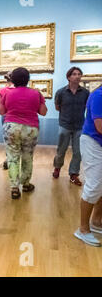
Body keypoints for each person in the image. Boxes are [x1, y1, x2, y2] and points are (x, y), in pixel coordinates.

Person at [0, 67, 48, 199]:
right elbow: (43, 112)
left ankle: (14, 187)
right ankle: (26, 184)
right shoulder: (36, 94)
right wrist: (42, 102)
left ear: (13, 79)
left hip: (11, 127)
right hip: (31, 128)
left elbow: (2, 112)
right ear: (28, 79)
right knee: (27, 157)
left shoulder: (7, 93)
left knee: (12, 157)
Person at [74, 86, 102, 246]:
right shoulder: (99, 95)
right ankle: (83, 229)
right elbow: (100, 127)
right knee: (94, 185)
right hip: (93, 142)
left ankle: (97, 222)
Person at [52, 67, 89, 186]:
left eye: (79, 74)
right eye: (74, 74)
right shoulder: (61, 92)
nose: (77, 76)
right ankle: (57, 168)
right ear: (68, 77)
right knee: (61, 150)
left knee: (77, 152)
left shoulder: (85, 93)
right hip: (65, 125)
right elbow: (57, 107)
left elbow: (87, 107)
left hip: (79, 126)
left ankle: (74, 174)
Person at [0, 72, 15, 170]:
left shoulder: (3, 90)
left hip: (6, 116)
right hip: (18, 117)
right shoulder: (19, 89)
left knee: (8, 139)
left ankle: (9, 159)